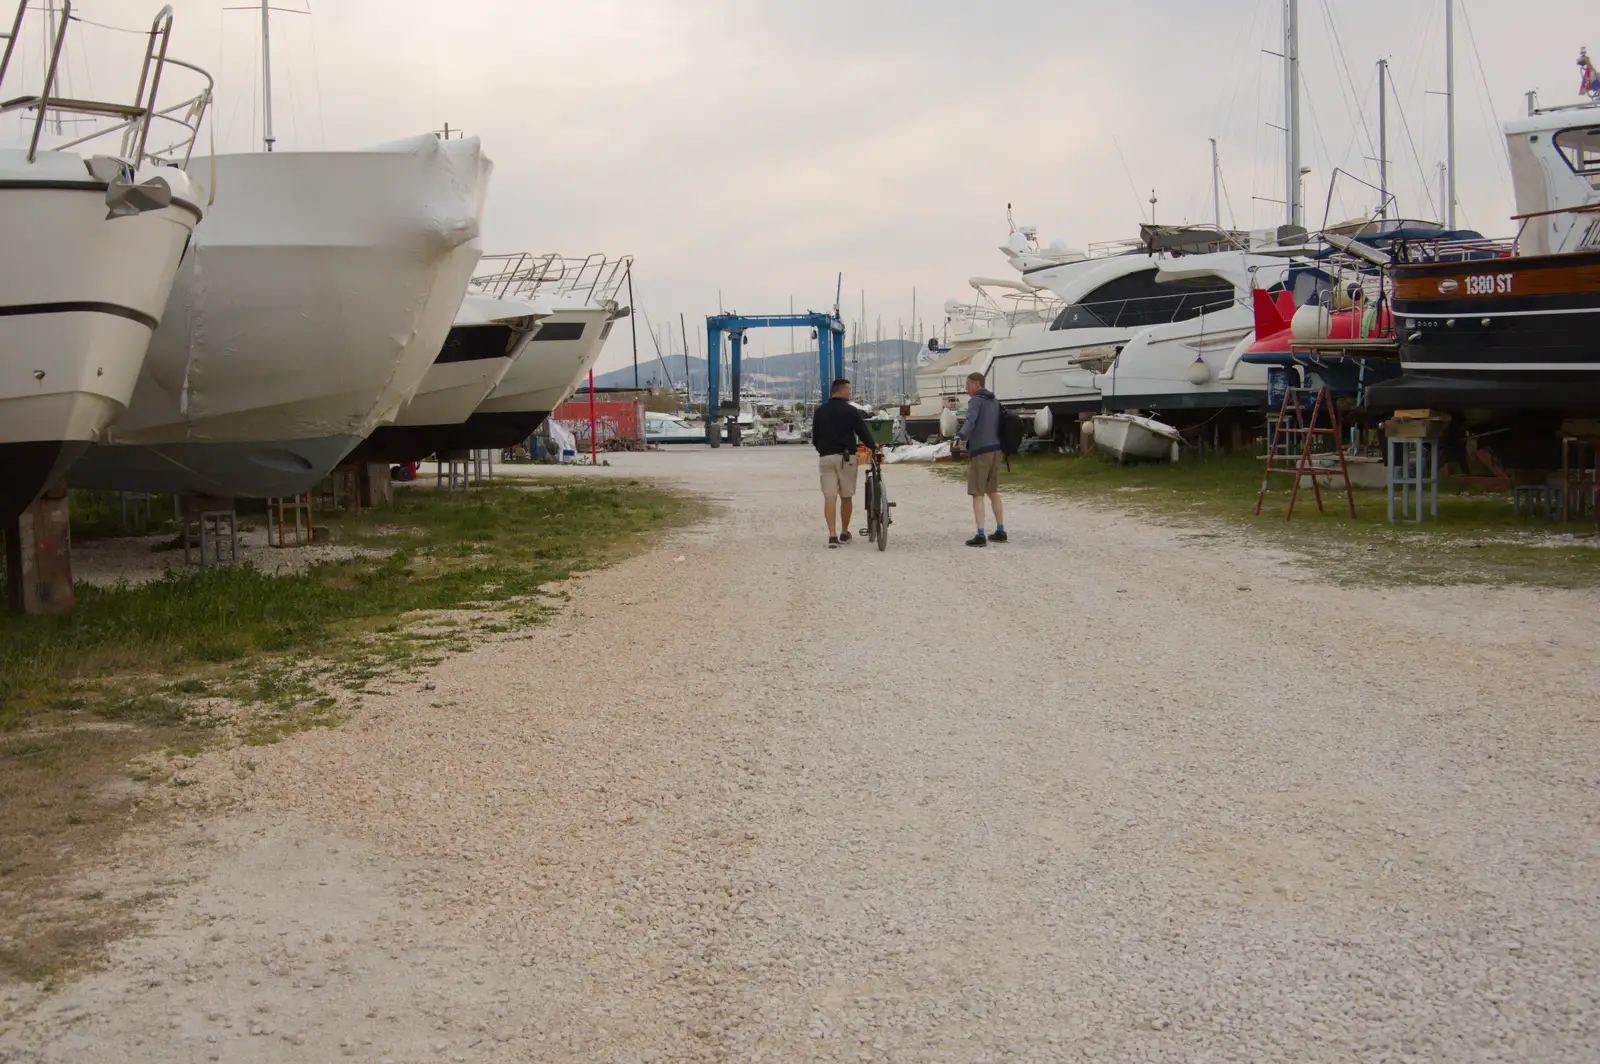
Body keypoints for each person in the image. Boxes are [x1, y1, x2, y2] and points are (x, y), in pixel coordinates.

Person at [811, 377, 878, 549]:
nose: (850, 392)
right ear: (840, 391)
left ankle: (832, 535)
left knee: (830, 496)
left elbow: (815, 437)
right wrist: (873, 446)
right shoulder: (851, 411)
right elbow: (862, 432)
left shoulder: (819, 411)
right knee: (846, 496)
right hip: (846, 458)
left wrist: (822, 450)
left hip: (825, 458)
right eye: (848, 389)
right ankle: (844, 532)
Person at [956, 371, 1007, 546]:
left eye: (968, 384)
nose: (966, 387)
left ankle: (980, 535)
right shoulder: (995, 401)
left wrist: (960, 436)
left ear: (977, 384)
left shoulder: (975, 401)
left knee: (977, 493)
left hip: (981, 452)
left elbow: (970, 422)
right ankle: (1001, 530)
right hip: (997, 450)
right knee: (993, 491)